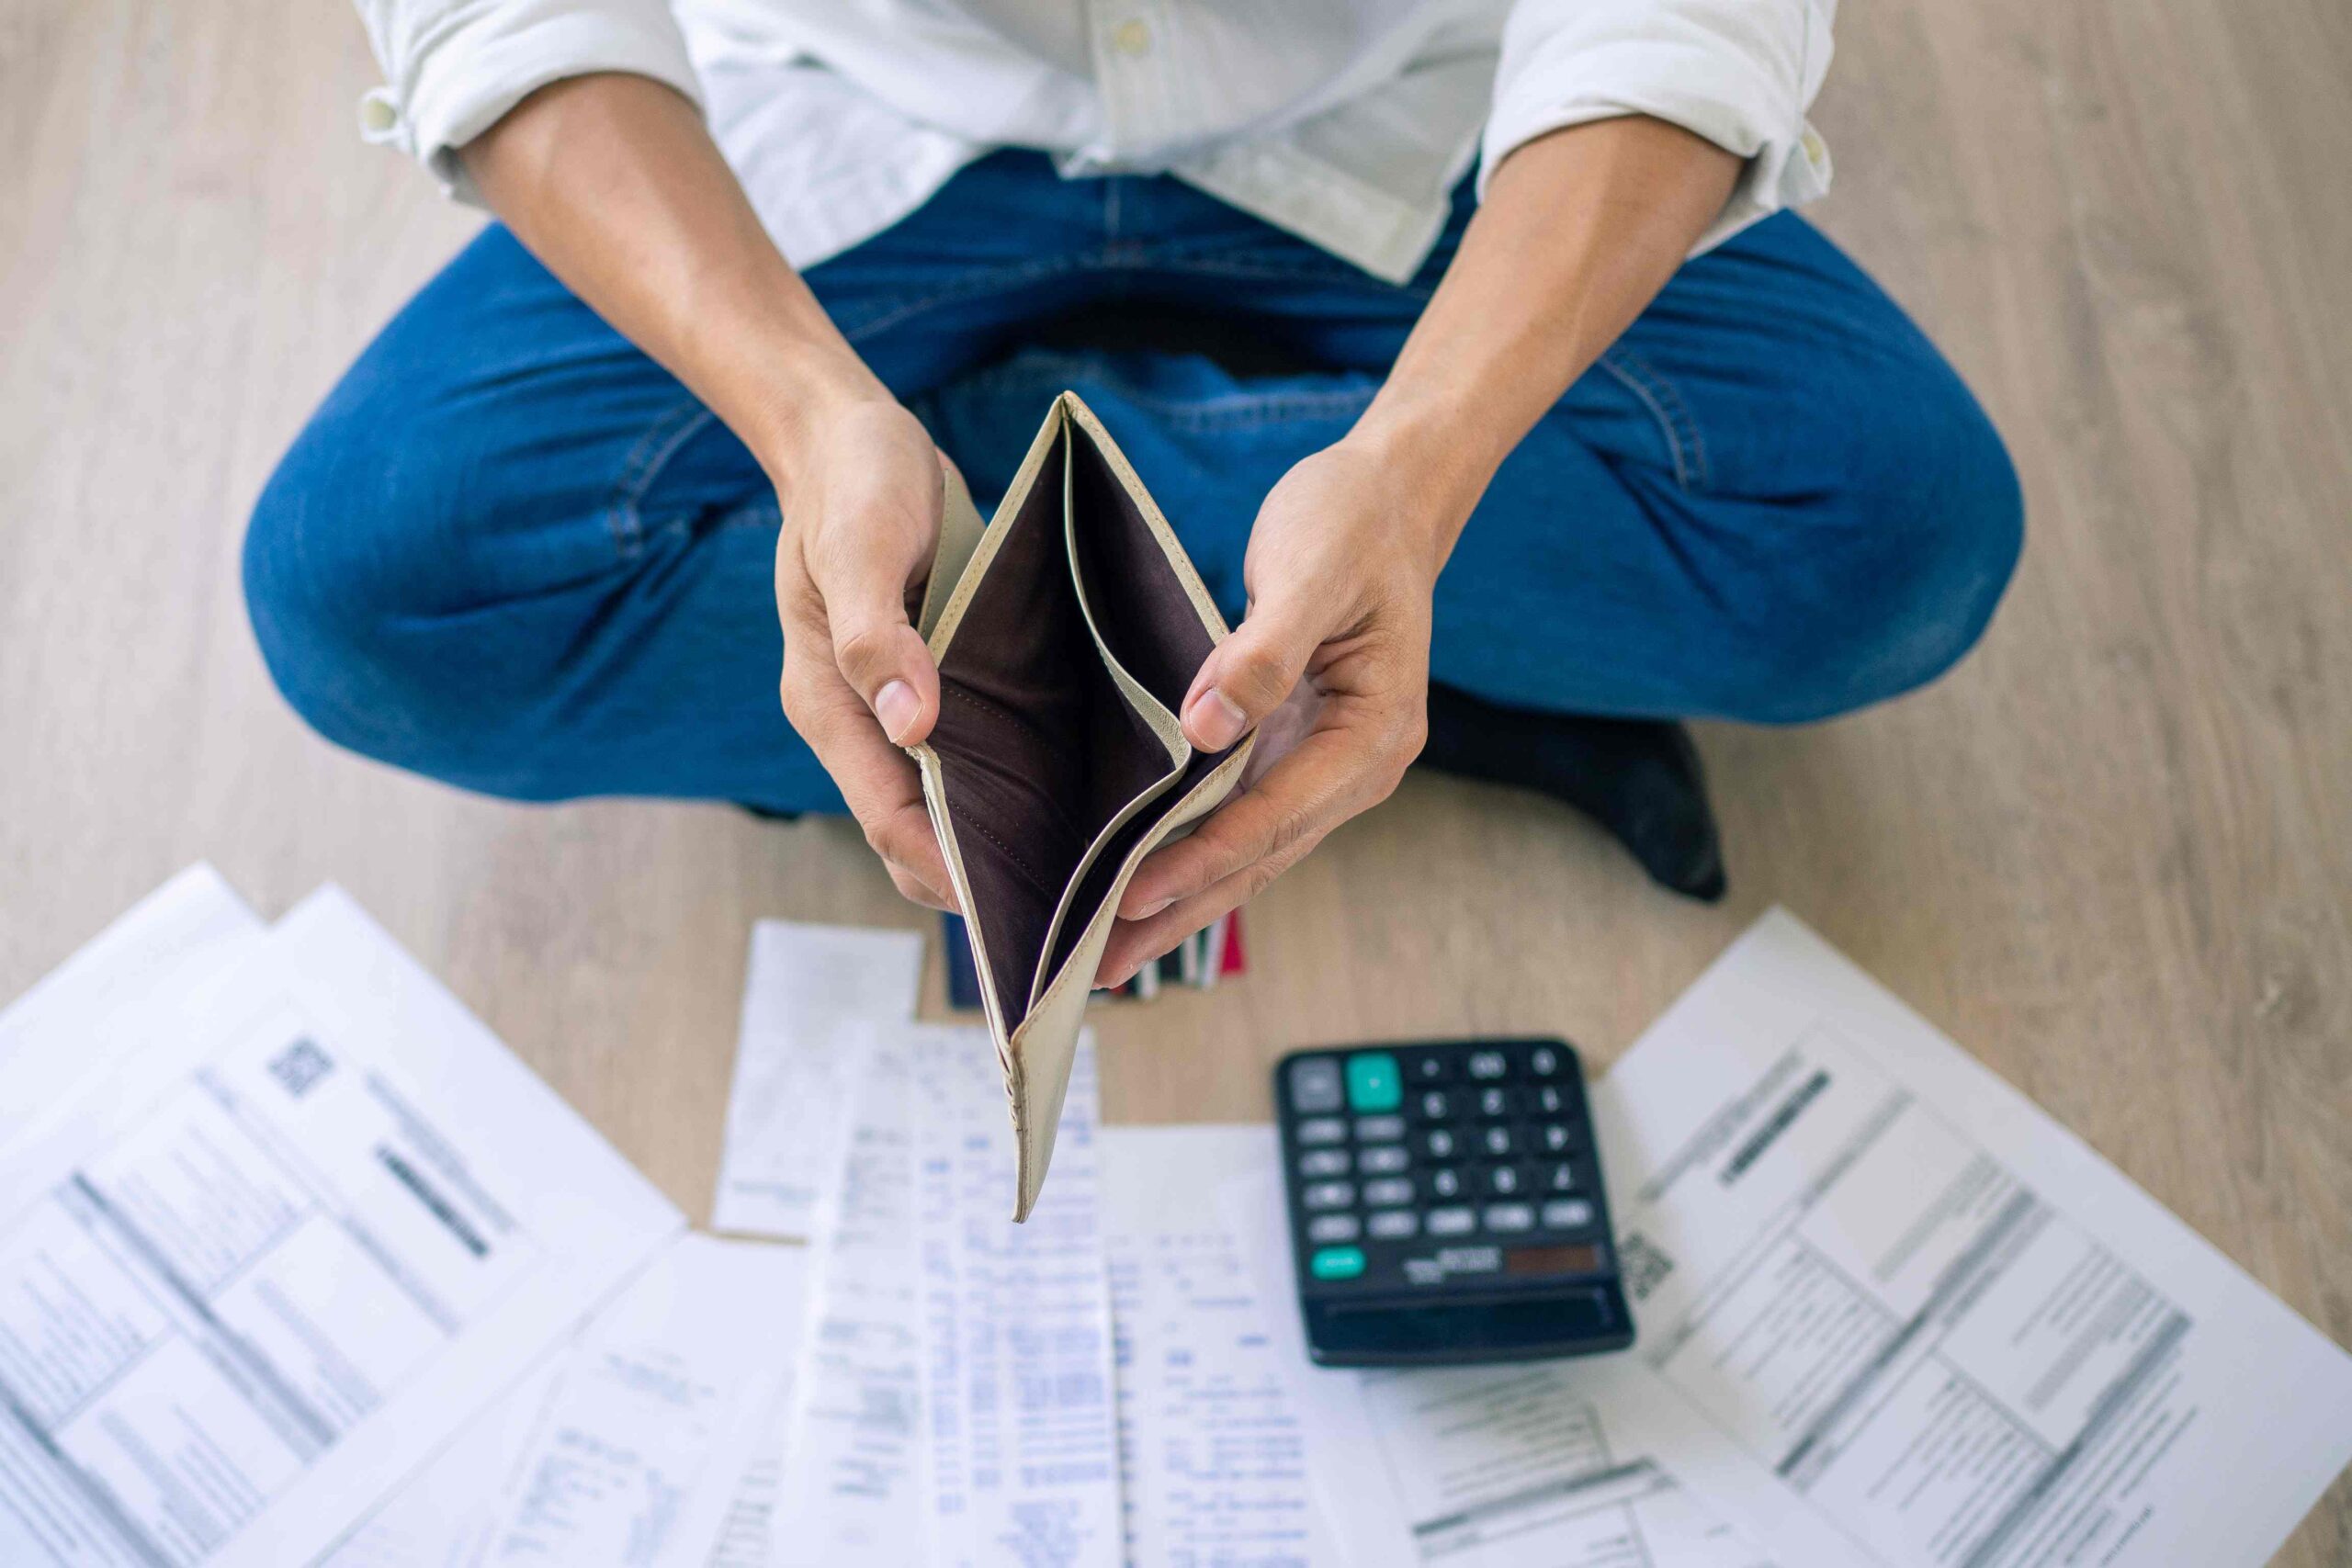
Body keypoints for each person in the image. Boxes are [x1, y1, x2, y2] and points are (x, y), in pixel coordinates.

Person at [246, 2, 2022, 986]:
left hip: (1422, 104)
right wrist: (804, 416)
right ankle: (1354, 633)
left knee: (1890, 542)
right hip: (856, 114)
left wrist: (1421, 463)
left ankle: (1061, 575)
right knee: (375, 597)